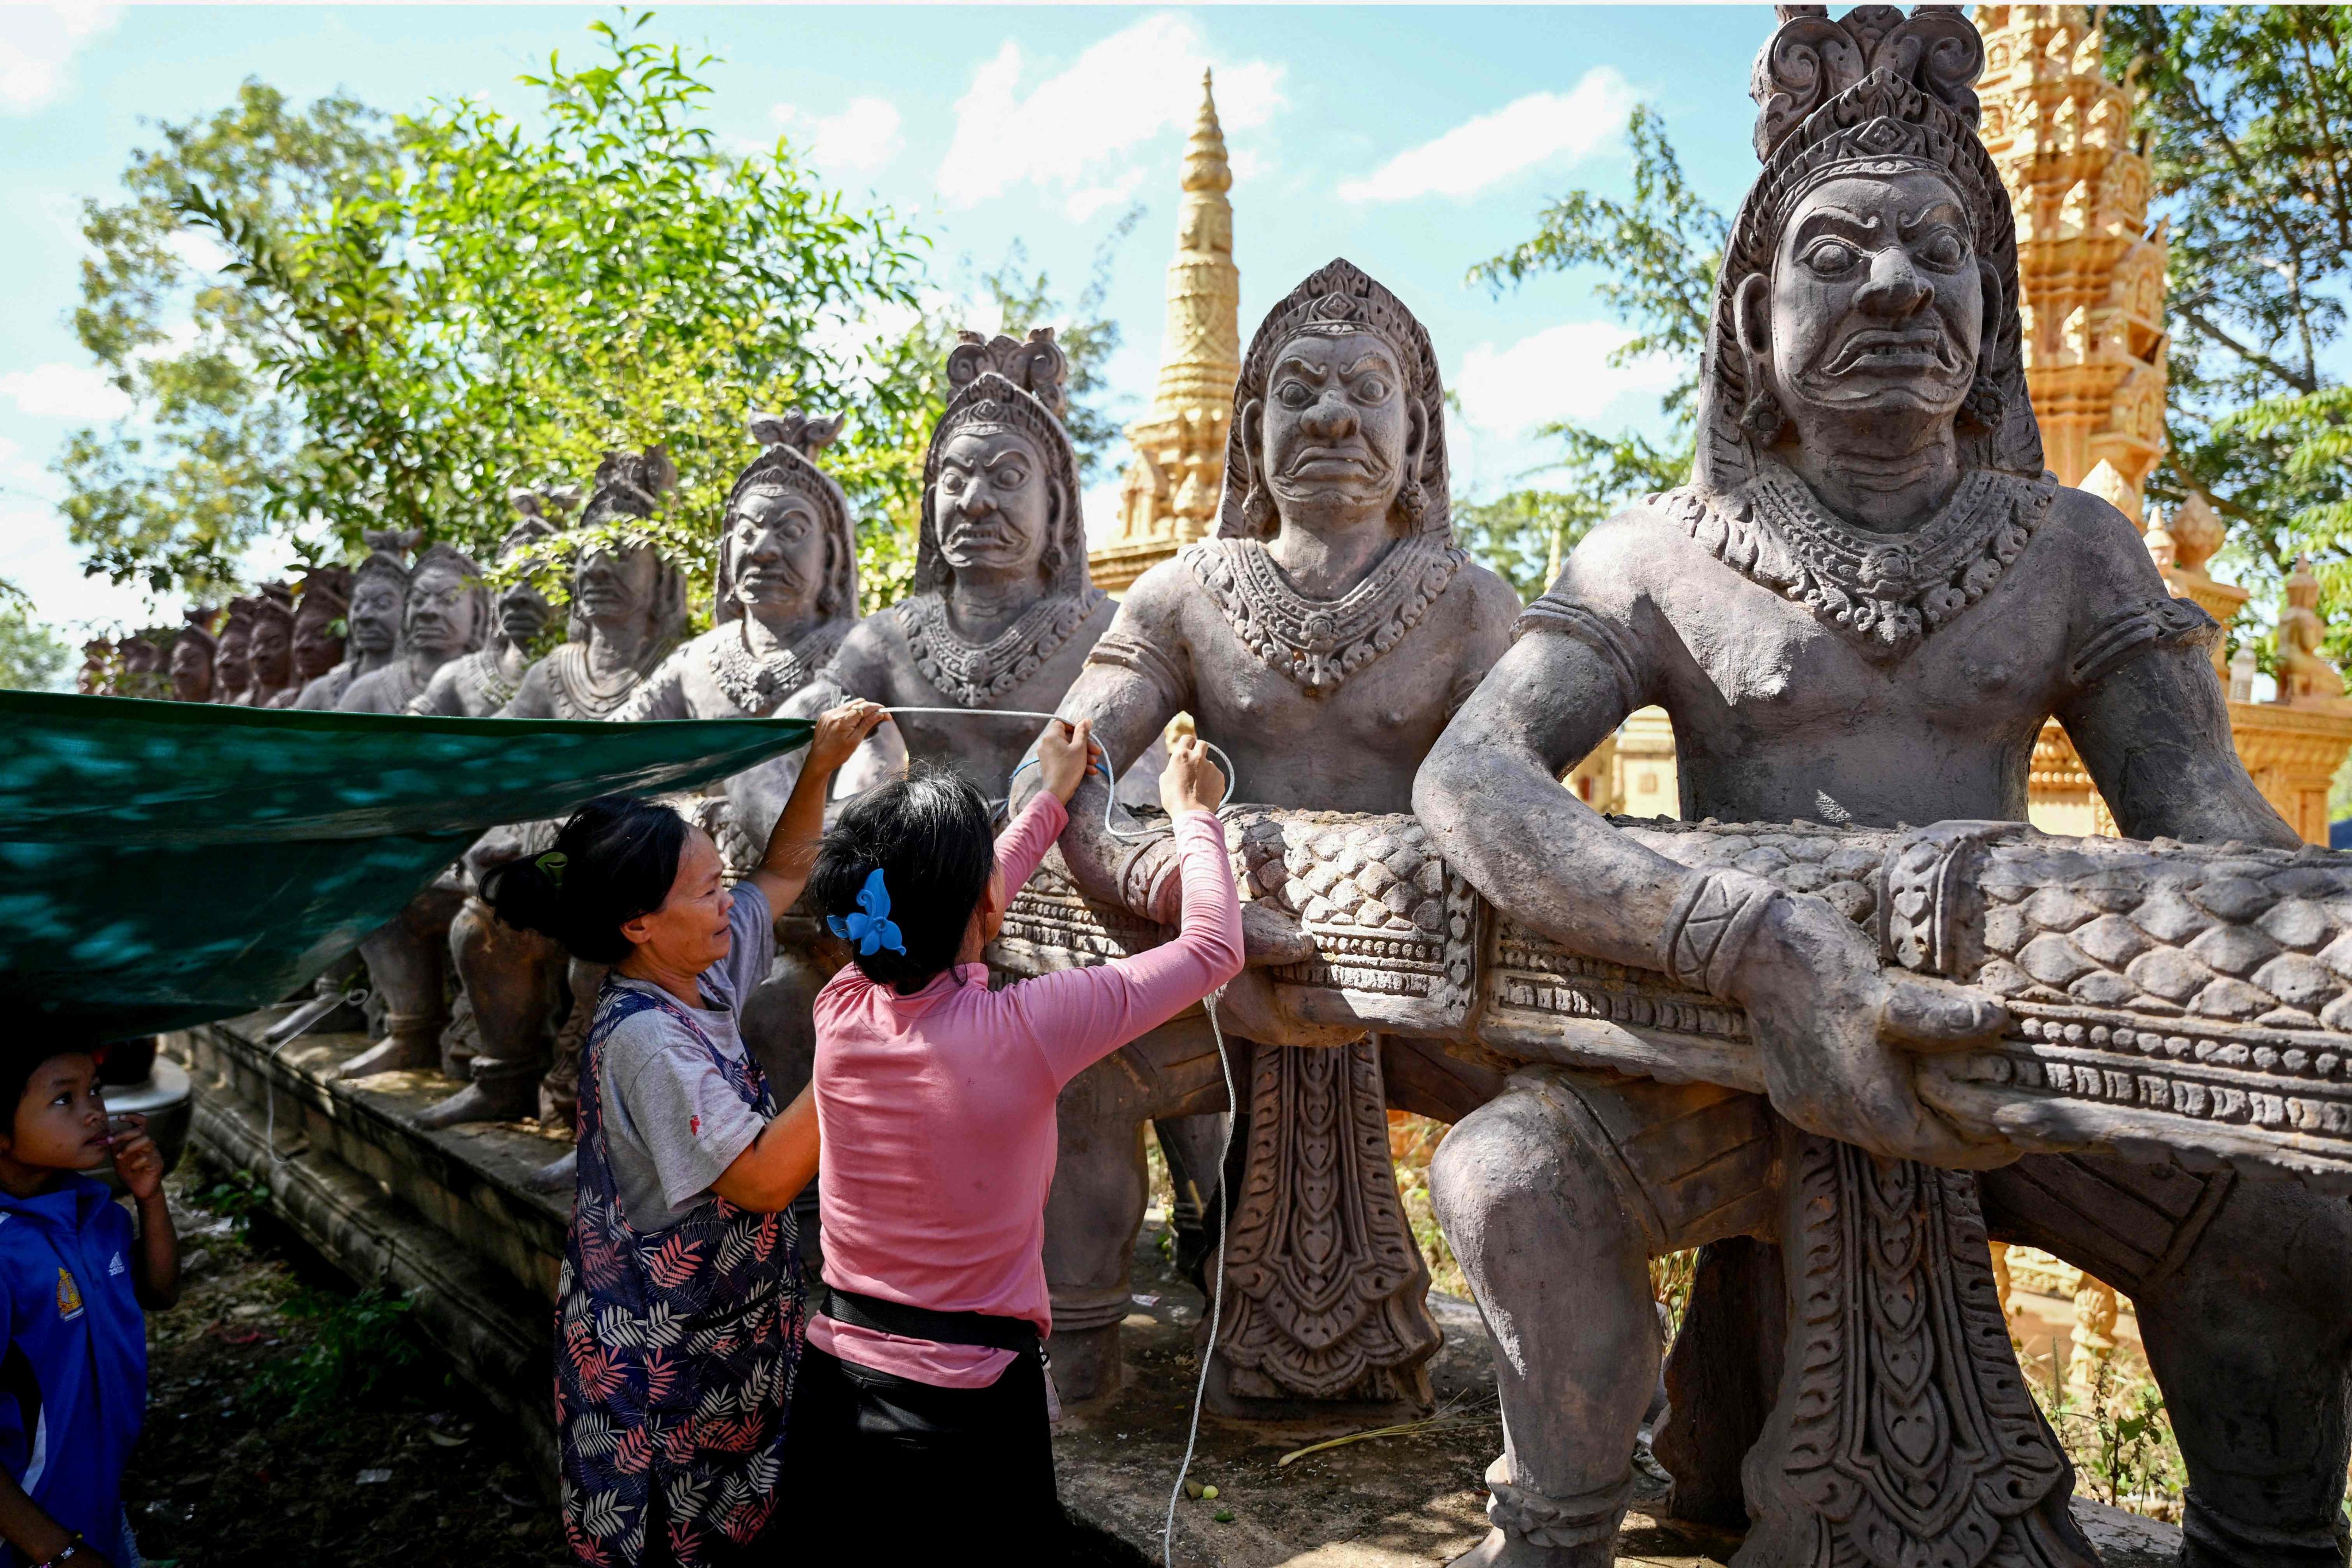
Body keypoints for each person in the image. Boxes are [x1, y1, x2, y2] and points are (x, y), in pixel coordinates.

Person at [791, 722, 1242, 1554]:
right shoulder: (1029, 1026)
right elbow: (1213, 946)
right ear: (987, 906)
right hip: (967, 1411)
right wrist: (1192, 813)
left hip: (833, 1393)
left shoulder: (842, 1005)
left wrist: (1044, 800)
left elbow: (959, 899)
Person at [483, 698, 890, 1568]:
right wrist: (872, 1032)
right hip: (658, 1370)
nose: (727, 903)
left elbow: (780, 874)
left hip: (723, 1337)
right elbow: (760, 1180)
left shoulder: (695, 973)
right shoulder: (646, 1040)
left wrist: (820, 766)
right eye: (706, 890)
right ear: (638, 923)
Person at [0, 1041, 180, 1568]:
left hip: (91, 1499)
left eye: (95, 1092)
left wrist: (150, 1197)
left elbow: (160, 1292)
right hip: (27, 1531)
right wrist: (57, 1554)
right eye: (64, 1100)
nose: (94, 1112)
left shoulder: (94, 1211)